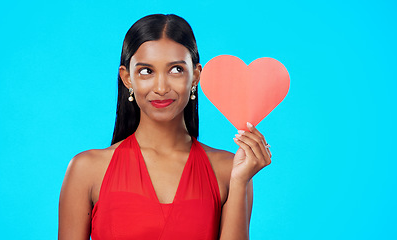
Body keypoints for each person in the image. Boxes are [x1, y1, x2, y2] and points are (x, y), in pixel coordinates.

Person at [58, 14, 272, 240]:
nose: (161, 87)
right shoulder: (86, 170)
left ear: (196, 76)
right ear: (127, 78)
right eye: (146, 71)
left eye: (176, 70)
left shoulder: (231, 171)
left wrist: (240, 182)